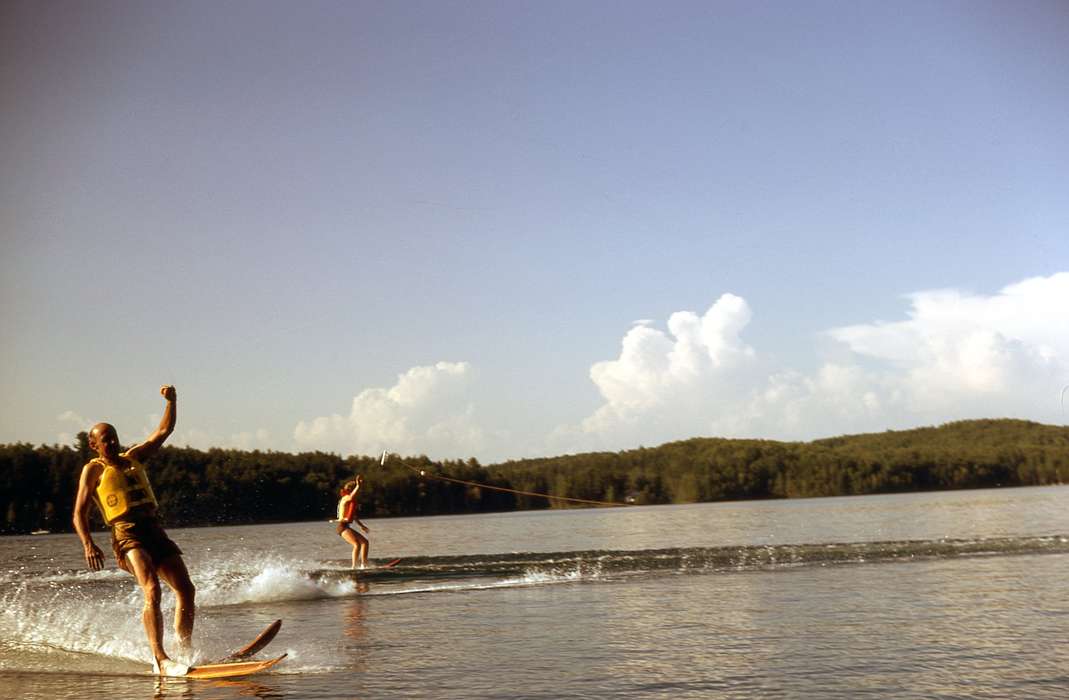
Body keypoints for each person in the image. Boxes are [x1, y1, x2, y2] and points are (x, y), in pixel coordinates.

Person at [72, 385, 195, 676]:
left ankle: (184, 650)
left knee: (186, 590)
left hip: (154, 529)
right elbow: (79, 513)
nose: (112, 443)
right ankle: (160, 658)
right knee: (151, 589)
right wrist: (88, 543)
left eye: (113, 437)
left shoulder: (134, 457)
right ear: (94, 445)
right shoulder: (94, 470)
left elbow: (163, 432)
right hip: (127, 534)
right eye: (105, 440)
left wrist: (172, 403)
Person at [336, 475, 370, 569]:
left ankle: (364, 565)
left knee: (365, 542)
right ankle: (353, 567)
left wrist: (362, 526)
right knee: (357, 544)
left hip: (346, 527)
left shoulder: (348, 502)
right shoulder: (346, 498)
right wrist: (358, 486)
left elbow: (354, 516)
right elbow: (351, 497)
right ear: (350, 490)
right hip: (342, 527)